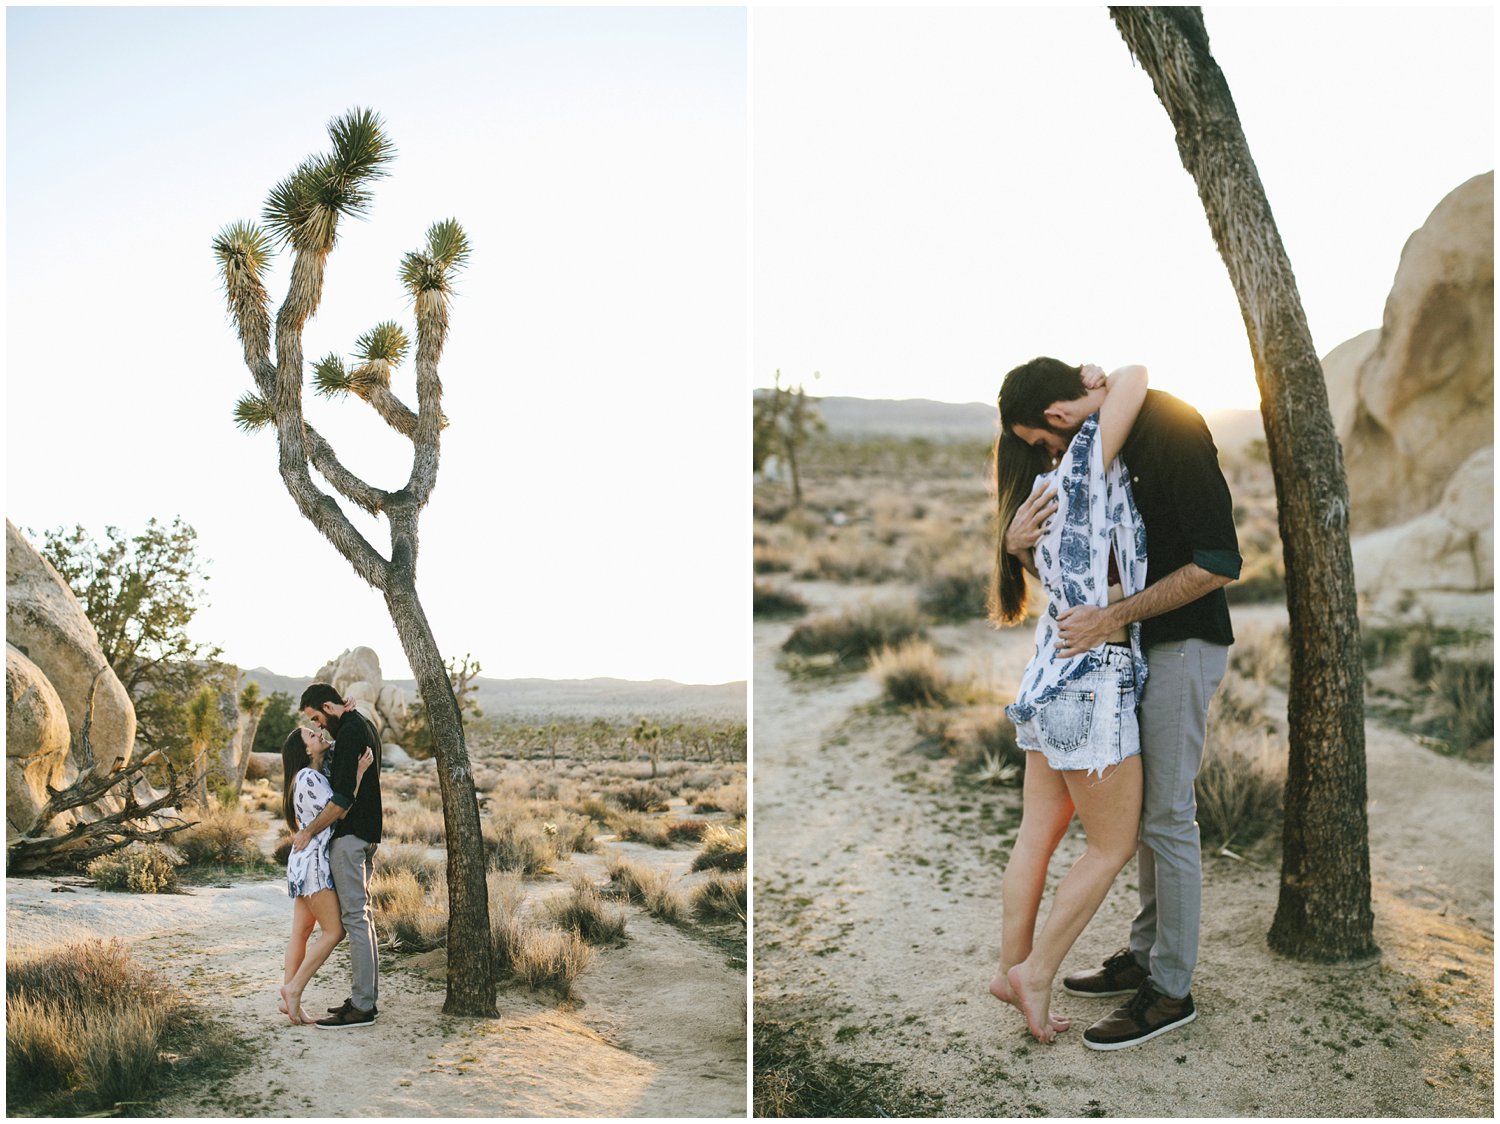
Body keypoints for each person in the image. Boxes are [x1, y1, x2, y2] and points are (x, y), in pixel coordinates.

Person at [1001, 355, 1239, 1051]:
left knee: (1167, 816)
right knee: (1138, 817)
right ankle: (1143, 953)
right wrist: (1017, 548)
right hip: (1128, 649)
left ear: (1057, 415)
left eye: (1040, 443)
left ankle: (1170, 990)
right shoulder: (1096, 448)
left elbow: (1219, 562)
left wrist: (1113, 614)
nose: (1046, 457)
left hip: (1181, 641)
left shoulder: (1169, 424)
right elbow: (1075, 561)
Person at [986, 361, 1150, 1043]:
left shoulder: (1038, 499)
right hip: (1094, 681)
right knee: (1110, 847)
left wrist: (1012, 547)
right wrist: (1096, 379)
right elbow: (1136, 376)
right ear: (1060, 416)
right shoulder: (1083, 456)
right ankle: (1038, 970)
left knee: (1036, 837)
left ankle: (1009, 968)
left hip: (1045, 683)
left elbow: (1060, 573)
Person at [293, 683, 385, 1028]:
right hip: (367, 833)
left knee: (355, 919)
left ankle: (362, 1007)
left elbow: (342, 801)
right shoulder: (360, 724)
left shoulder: (349, 734)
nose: (318, 726)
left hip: (350, 838)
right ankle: (364, 998)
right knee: (363, 917)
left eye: (318, 717)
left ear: (330, 707)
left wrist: (308, 831)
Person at [279, 725, 374, 1024]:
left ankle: (287, 997)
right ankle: (293, 990)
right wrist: (358, 774)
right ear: (305, 750)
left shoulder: (308, 776)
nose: (318, 733)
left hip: (302, 863)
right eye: (311, 735)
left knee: (302, 932)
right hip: (313, 866)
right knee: (335, 931)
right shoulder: (309, 777)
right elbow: (340, 809)